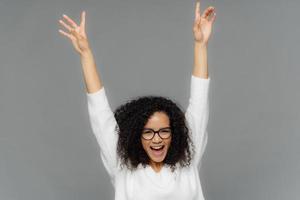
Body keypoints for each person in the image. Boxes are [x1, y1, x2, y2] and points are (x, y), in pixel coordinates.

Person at [58, 0, 216, 199]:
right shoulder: (122, 165)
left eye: (164, 131)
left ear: (173, 133)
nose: (157, 138)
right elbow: (99, 111)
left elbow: (200, 100)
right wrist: (86, 54)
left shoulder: (188, 158)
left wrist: (200, 45)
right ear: (137, 136)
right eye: (148, 132)